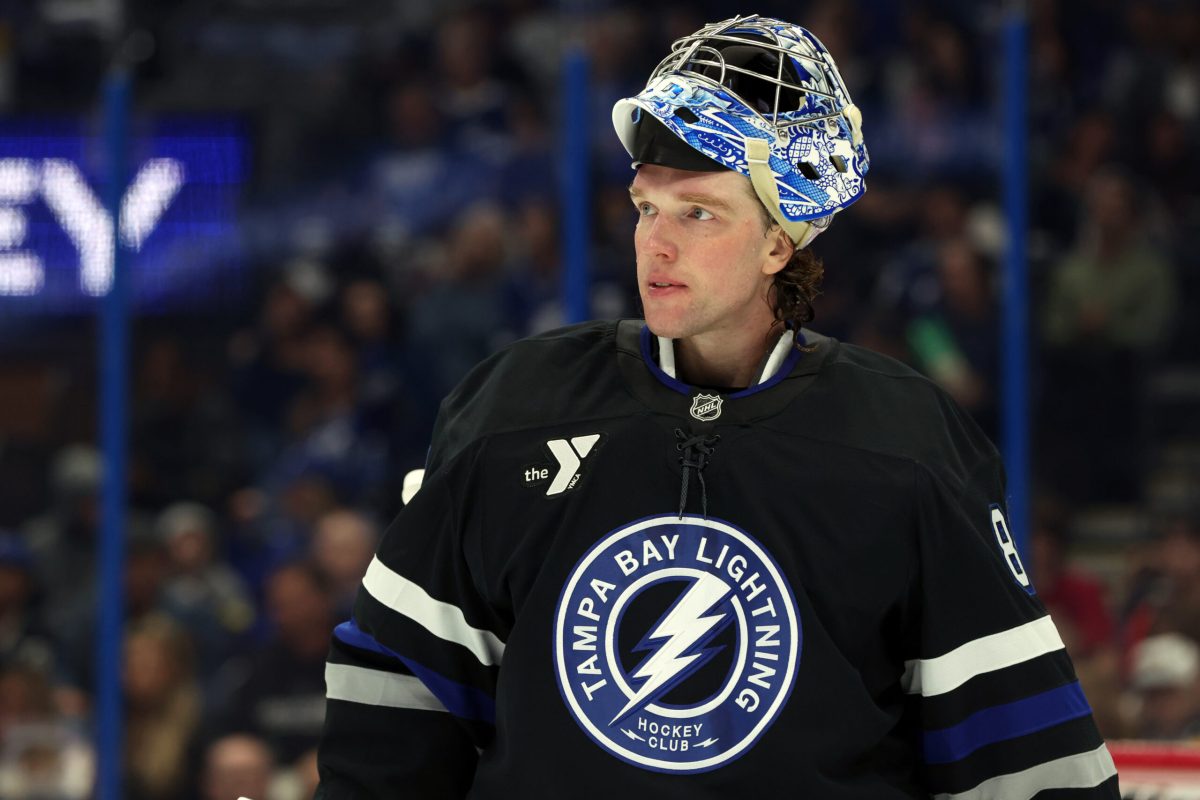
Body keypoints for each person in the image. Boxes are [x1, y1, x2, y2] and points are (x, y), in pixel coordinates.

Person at [317, 14, 1119, 798]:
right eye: (646, 208)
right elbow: (395, 713)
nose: (655, 244)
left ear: (780, 240)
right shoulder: (515, 410)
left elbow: (1028, 768)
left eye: (698, 212)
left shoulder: (906, 445)